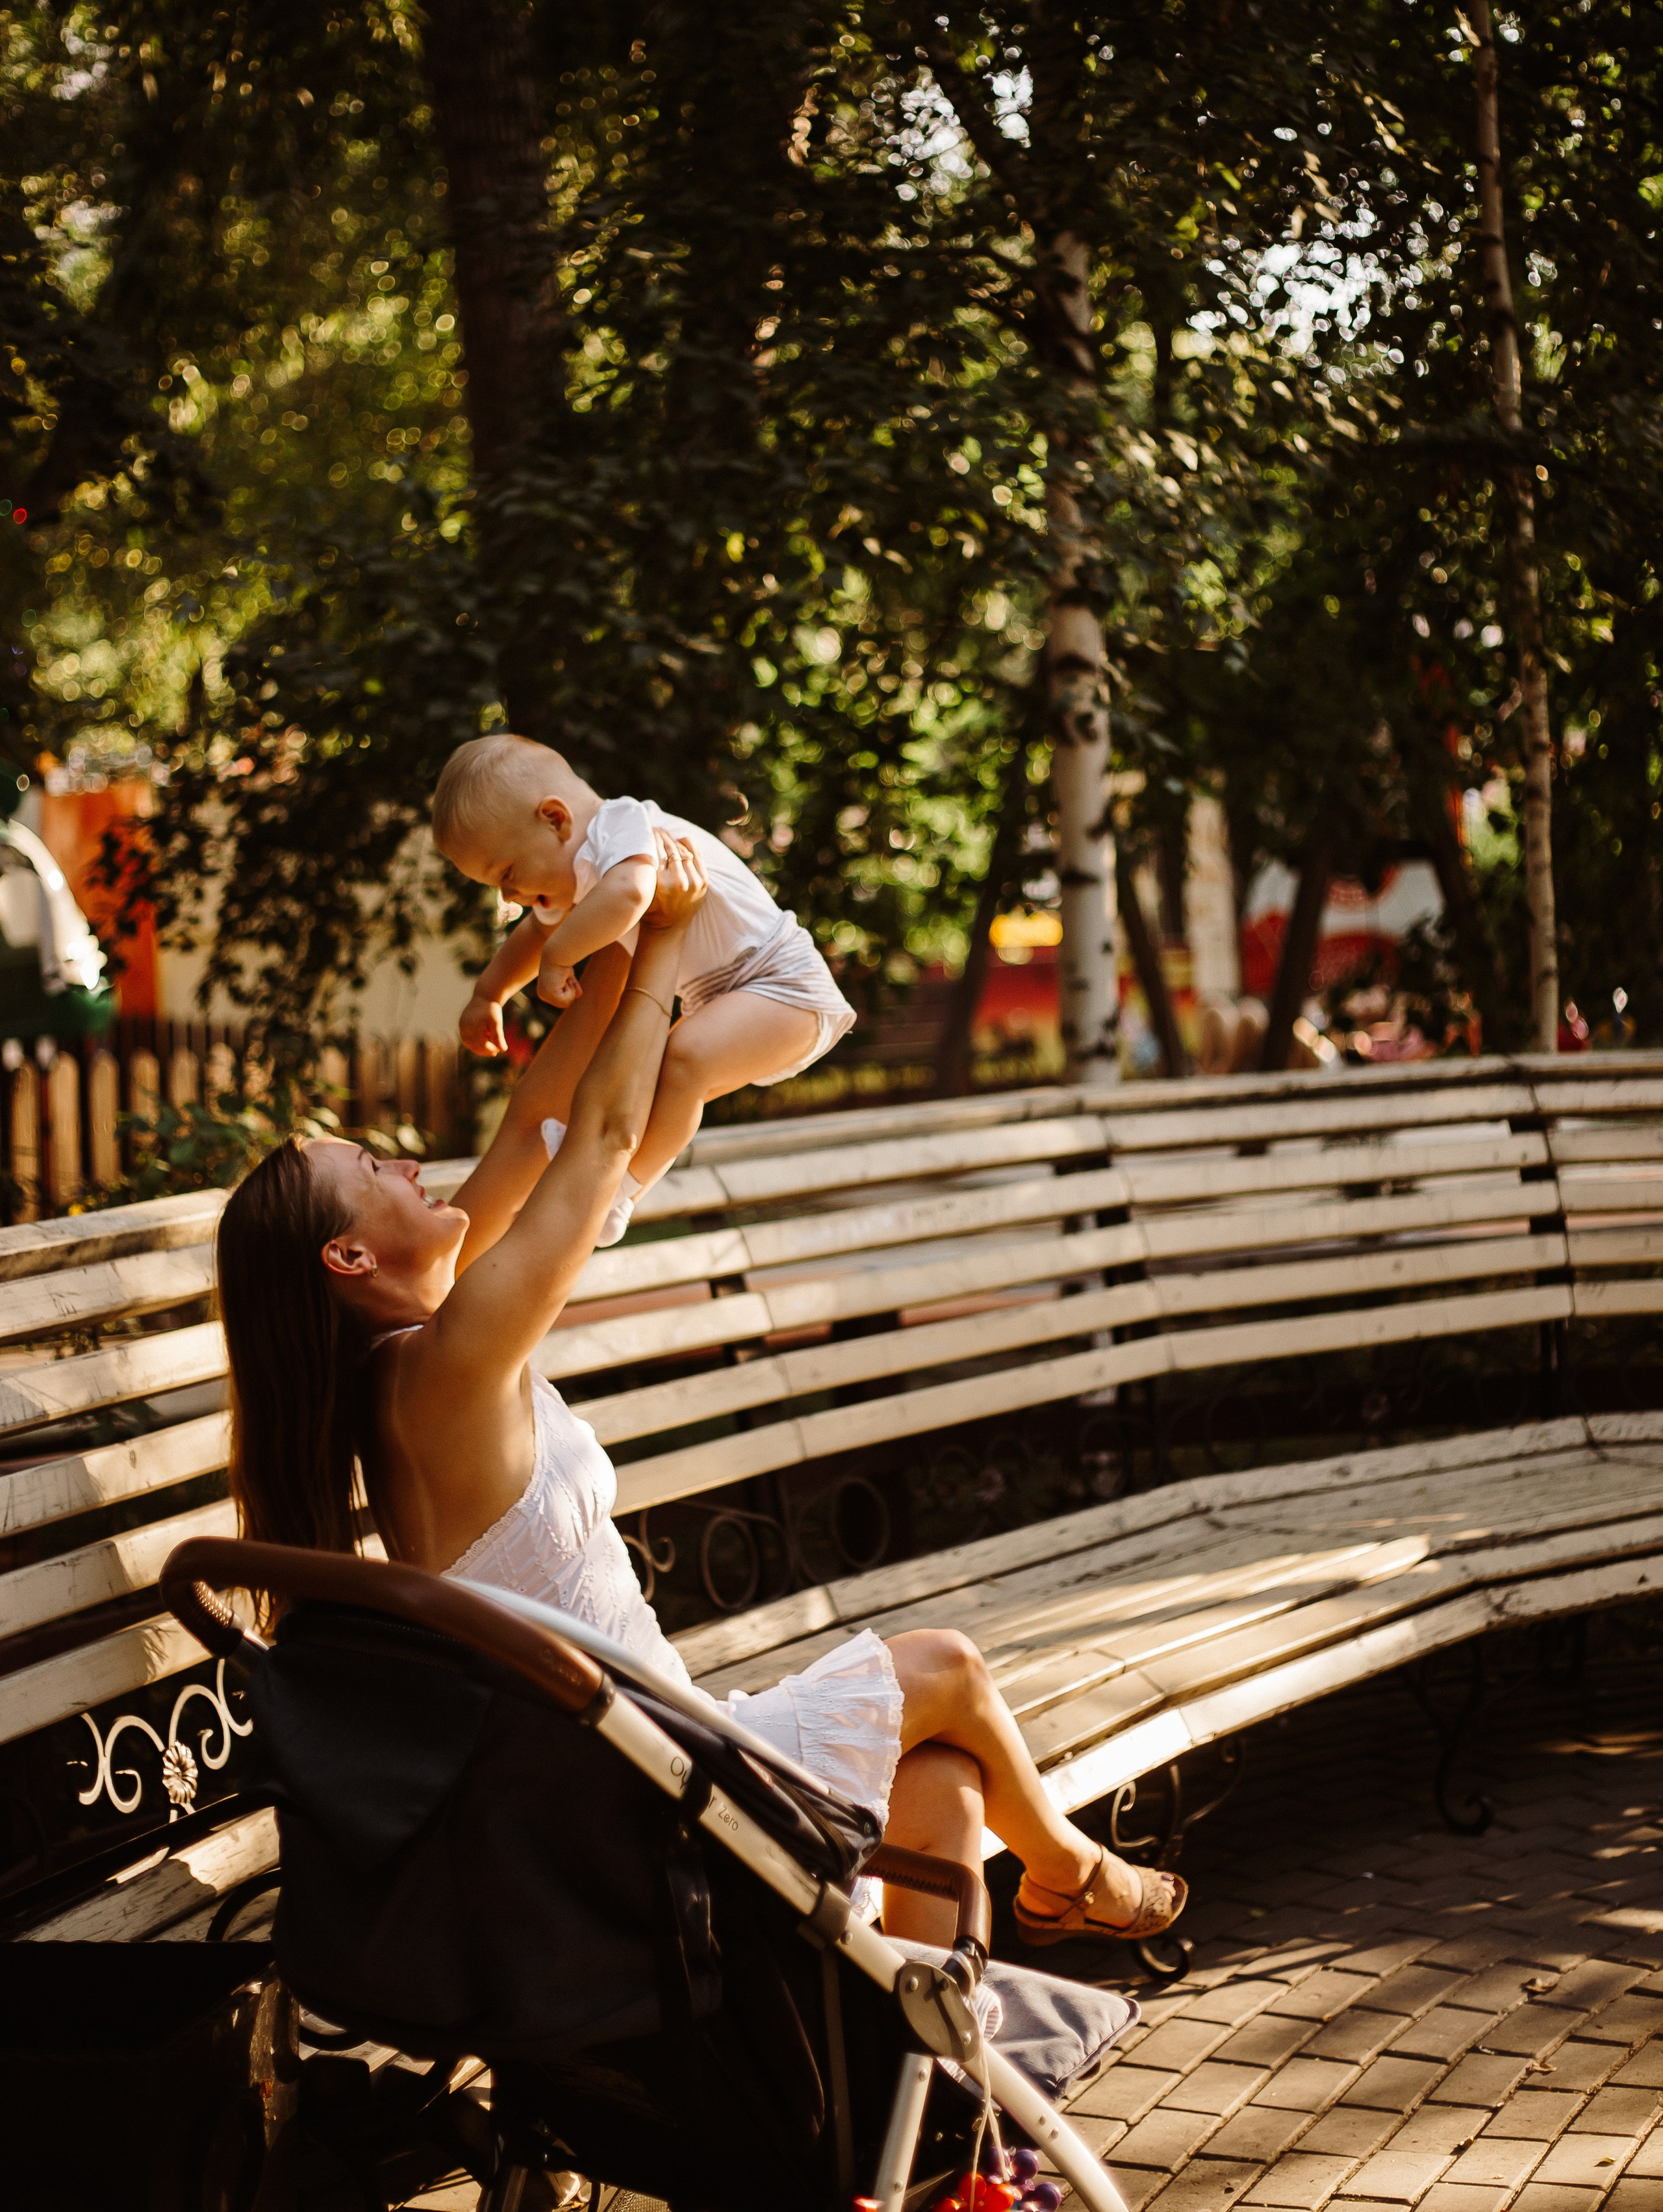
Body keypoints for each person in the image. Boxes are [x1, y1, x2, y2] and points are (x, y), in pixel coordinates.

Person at [216, 835, 1186, 1953]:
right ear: (347, 1259)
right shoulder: (444, 1372)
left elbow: (540, 1115)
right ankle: (1075, 1870)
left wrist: (609, 959)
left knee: (948, 1786)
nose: (407, 1166)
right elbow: (604, 1138)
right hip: (651, 1795)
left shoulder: (423, 1360)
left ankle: (924, 2100)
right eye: (373, 1173)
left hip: (651, 1760)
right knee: (949, 1671)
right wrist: (672, 942)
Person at [432, 733, 856, 1244]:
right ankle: (592, 1158)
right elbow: (536, 930)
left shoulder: (623, 827)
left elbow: (631, 893)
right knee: (650, 1078)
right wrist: (490, 993)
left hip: (782, 983)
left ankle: (621, 1193)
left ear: (555, 818)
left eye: (507, 873)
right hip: (731, 994)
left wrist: (560, 956)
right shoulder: (582, 872)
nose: (508, 894)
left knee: (681, 1057)